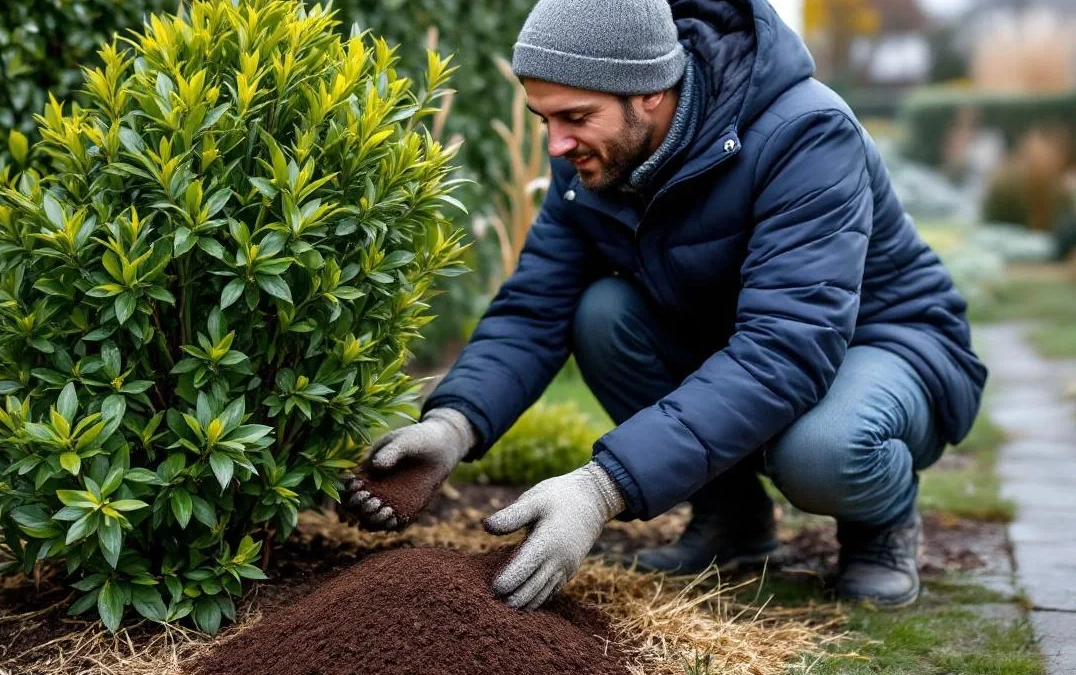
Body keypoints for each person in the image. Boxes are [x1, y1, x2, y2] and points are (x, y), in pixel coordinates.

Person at [341, 0, 987, 611]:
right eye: (545, 121)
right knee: (601, 313)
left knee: (819, 451)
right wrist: (454, 425)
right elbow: (537, 302)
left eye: (573, 117)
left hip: (886, 343)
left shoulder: (805, 134)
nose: (556, 147)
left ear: (649, 91)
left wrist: (602, 488)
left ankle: (881, 524)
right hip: (744, 336)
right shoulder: (594, 155)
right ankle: (732, 520)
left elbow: (787, 348)